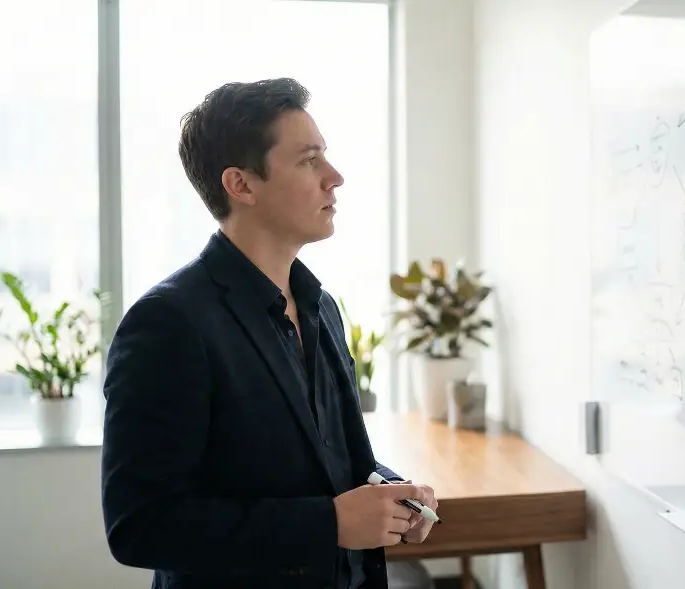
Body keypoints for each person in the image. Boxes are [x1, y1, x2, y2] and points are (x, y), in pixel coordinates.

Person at [100, 77, 437, 589]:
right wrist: (330, 525)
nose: (335, 177)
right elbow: (140, 526)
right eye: (309, 160)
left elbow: (339, 461)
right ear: (241, 185)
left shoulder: (321, 305)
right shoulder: (168, 323)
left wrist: (394, 495)